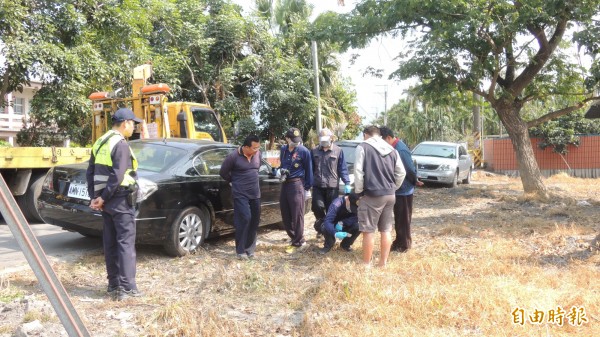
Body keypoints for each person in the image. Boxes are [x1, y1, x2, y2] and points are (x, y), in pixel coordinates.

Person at [86, 107, 142, 301]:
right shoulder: (120, 144)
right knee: (126, 243)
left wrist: (96, 197)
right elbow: (118, 175)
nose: (134, 127)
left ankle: (113, 285)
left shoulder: (101, 142)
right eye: (133, 123)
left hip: (106, 203)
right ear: (125, 123)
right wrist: (104, 197)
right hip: (120, 200)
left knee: (110, 243)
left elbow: (90, 172)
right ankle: (127, 288)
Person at [354, 125, 406, 268]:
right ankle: (383, 263)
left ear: (366, 135)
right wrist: (393, 187)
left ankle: (366, 264)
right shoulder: (392, 149)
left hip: (372, 194)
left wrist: (359, 192)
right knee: (386, 229)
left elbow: (358, 173)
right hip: (390, 195)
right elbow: (401, 173)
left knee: (368, 230)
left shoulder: (363, 147)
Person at [380, 126, 423, 253]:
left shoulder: (400, 150)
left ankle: (403, 245)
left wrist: (415, 181)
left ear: (388, 138)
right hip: (398, 189)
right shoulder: (393, 148)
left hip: (403, 189)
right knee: (399, 218)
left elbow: (409, 170)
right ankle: (399, 241)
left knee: (403, 219)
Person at [219, 135, 262, 260]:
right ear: (246, 147)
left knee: (254, 220)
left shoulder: (258, 154)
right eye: (254, 148)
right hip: (240, 194)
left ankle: (249, 250)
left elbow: (256, 169)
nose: (257, 150)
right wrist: (233, 181)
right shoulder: (233, 157)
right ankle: (240, 250)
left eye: (258, 147)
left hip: (255, 193)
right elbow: (223, 172)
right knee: (244, 218)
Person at [279, 127, 313, 254]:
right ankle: (294, 237)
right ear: (287, 138)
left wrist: (307, 188)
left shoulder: (304, 151)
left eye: (297, 140)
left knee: (297, 214)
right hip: (285, 184)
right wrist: (279, 171)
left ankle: (299, 242)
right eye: (292, 139)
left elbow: (309, 170)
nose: (295, 142)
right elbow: (282, 165)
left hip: (297, 184)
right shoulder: (283, 150)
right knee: (285, 212)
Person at [311, 128, 351, 236]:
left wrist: (347, 182)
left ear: (331, 138)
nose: (324, 142)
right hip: (318, 185)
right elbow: (311, 168)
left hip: (332, 186)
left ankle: (326, 230)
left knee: (331, 210)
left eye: (326, 139)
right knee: (316, 206)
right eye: (322, 139)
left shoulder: (338, 151)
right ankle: (322, 224)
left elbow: (342, 168)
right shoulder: (314, 151)